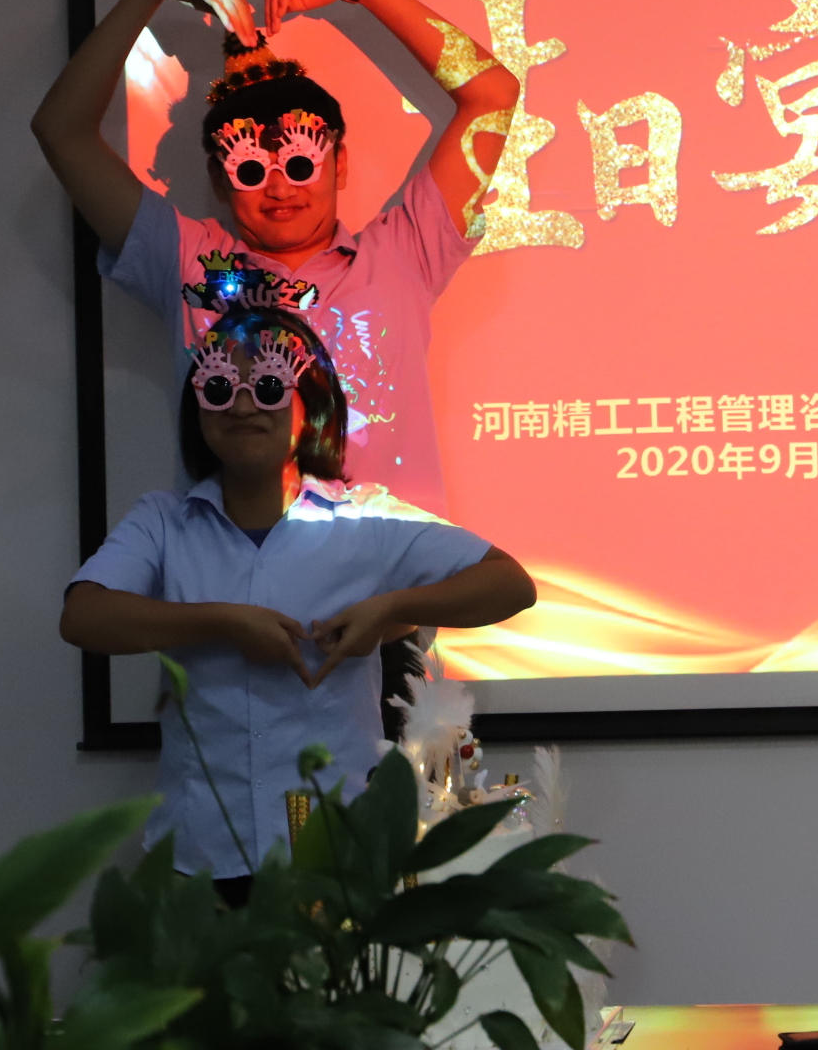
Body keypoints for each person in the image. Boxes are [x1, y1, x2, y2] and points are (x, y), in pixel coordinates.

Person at [60, 303, 535, 894]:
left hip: (338, 855)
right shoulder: (163, 521)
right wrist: (224, 623)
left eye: (267, 387)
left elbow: (510, 583)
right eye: (219, 388)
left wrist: (393, 611)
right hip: (201, 856)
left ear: (312, 402)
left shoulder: (367, 518)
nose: (241, 406)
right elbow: (84, 616)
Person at [32, 0, 521, 516]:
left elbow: (494, 94)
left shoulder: (406, 250)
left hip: (392, 565)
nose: (280, 188)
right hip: (233, 567)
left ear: (339, 164)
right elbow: (61, 131)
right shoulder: (188, 261)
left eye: (300, 164)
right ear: (220, 179)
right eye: (250, 170)